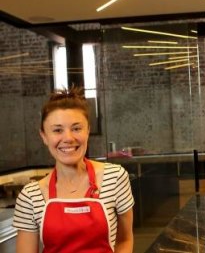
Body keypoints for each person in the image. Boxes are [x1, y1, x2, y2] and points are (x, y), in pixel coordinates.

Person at [12, 86, 134, 253]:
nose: (68, 138)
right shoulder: (30, 197)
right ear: (44, 136)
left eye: (76, 128)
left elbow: (125, 240)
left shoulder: (115, 178)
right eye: (57, 130)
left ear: (88, 131)